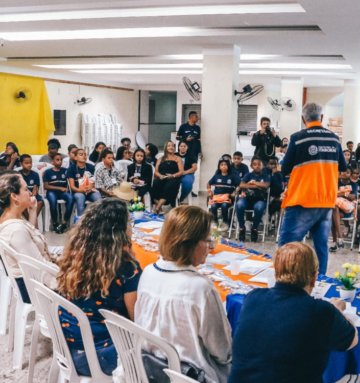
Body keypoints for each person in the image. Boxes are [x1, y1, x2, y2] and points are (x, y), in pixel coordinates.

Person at [229, 242, 357, 383]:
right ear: (314, 278)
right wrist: (337, 311)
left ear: (276, 272)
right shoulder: (321, 311)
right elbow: (352, 340)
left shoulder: (253, 298)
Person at [135, 206, 232, 383]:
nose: (210, 247)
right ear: (190, 243)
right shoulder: (200, 287)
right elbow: (222, 351)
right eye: (207, 240)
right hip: (189, 375)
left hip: (149, 368)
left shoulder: (148, 272)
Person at [57, 198, 142, 377]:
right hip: (101, 356)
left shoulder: (75, 255)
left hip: (66, 347)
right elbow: (137, 320)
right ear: (120, 231)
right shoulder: (127, 268)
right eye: (129, 223)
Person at [279, 103, 347, 275]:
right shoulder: (334, 139)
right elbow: (343, 167)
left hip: (303, 199)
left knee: (287, 245)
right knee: (320, 246)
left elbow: (285, 169)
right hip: (326, 200)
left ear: (303, 119)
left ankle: (284, 283)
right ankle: (320, 281)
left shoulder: (298, 138)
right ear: (322, 118)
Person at [0, 172, 56, 304]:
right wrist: (66, 278)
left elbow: (28, 239)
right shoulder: (15, 230)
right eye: (25, 189)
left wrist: (32, 211)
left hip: (30, 280)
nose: (30, 192)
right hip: (33, 288)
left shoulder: (13, 219)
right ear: (14, 197)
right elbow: (39, 268)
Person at [236, 157, 270, 242]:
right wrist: (257, 186)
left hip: (259, 200)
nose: (257, 166)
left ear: (262, 166)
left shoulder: (266, 176)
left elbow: (266, 185)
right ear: (251, 166)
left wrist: (253, 182)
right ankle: (241, 228)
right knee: (239, 205)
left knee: (259, 207)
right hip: (247, 199)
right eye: (255, 164)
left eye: (259, 164)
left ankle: (254, 229)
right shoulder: (249, 175)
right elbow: (241, 185)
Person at [330, 168, 360, 252]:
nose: (345, 174)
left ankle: (335, 242)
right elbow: (331, 195)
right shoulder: (335, 182)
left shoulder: (353, 184)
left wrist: (341, 193)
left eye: (347, 172)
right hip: (337, 209)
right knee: (334, 210)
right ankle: (339, 238)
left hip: (347, 208)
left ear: (350, 174)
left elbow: (353, 197)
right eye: (343, 172)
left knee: (333, 214)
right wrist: (345, 193)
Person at [43, 153, 74, 233]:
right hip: (52, 191)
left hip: (63, 192)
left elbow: (68, 182)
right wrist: (59, 188)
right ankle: (55, 223)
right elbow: (46, 186)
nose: (59, 162)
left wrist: (67, 188)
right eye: (57, 160)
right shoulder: (47, 172)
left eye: (61, 160)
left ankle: (64, 222)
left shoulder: (65, 171)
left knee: (71, 198)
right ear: (53, 161)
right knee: (53, 202)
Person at [67, 148, 101, 218]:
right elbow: (72, 187)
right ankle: (80, 222)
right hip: (78, 191)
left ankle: (97, 221)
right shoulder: (71, 168)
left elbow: (94, 181)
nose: (84, 156)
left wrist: (90, 188)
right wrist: (82, 190)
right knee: (80, 198)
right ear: (76, 157)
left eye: (85, 154)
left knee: (98, 198)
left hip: (90, 191)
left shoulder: (91, 167)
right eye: (81, 154)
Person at [208, 159, 240, 230]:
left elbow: (239, 185)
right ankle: (215, 222)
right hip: (217, 198)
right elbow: (209, 183)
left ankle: (225, 223)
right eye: (221, 165)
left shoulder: (232, 176)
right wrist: (209, 191)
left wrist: (234, 192)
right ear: (219, 167)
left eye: (225, 165)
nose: (223, 166)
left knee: (224, 206)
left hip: (227, 198)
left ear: (228, 166)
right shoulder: (216, 176)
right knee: (213, 206)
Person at [152, 141, 183, 214]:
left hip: (173, 177)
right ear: (166, 147)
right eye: (169, 146)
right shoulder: (160, 159)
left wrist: (172, 175)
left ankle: (158, 207)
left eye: (172, 146)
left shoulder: (178, 158)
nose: (171, 147)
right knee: (155, 183)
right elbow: (156, 171)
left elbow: (181, 171)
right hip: (162, 177)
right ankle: (159, 207)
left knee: (170, 186)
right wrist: (160, 175)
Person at [18, 154, 44, 222]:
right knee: (21, 202)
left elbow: (36, 188)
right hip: (22, 194)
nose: (29, 165)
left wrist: (32, 195)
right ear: (21, 164)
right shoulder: (18, 174)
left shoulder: (35, 174)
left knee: (40, 201)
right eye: (26, 163)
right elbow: (18, 189)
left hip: (33, 194)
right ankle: (29, 220)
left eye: (30, 162)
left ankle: (33, 219)